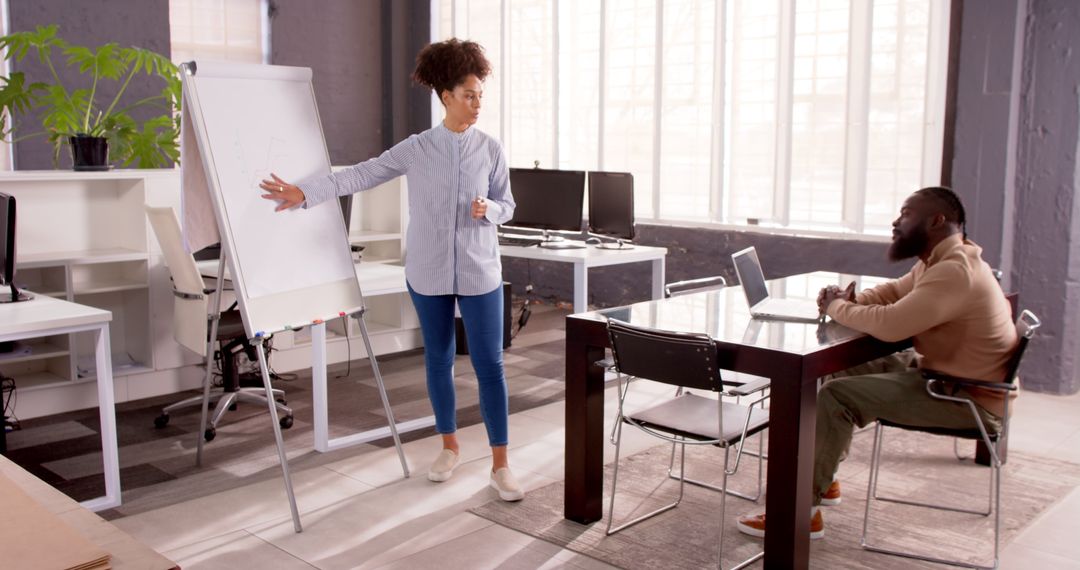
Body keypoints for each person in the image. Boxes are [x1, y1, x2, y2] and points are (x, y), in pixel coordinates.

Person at [258, 39, 523, 501]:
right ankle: (449, 446)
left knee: (490, 365)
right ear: (445, 97)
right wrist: (305, 193)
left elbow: (509, 203)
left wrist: (492, 210)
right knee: (438, 359)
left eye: (480, 94)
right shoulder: (418, 148)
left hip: (481, 272)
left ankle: (501, 464)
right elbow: (359, 174)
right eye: (469, 94)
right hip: (428, 271)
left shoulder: (490, 148)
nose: (477, 103)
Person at [736, 186, 1018, 538]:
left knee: (837, 397)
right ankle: (824, 478)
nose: (896, 222)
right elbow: (891, 294)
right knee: (832, 369)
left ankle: (797, 514)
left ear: (936, 220)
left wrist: (837, 308)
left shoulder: (954, 271)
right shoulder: (940, 260)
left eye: (905, 214)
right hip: (944, 375)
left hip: (966, 396)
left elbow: (891, 325)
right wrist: (851, 300)